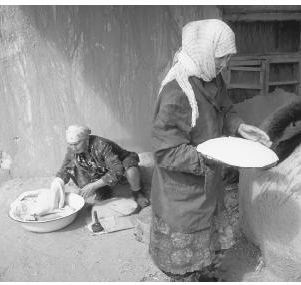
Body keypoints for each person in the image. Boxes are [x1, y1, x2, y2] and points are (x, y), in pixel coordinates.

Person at [149, 19, 272, 282]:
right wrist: (213, 157)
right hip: (183, 185)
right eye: (221, 58)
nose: (225, 65)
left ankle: (201, 271)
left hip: (207, 179)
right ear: (203, 52)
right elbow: (165, 152)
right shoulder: (177, 92)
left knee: (207, 238)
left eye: (228, 57)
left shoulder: (210, 77)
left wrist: (239, 127)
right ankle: (186, 277)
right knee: (185, 243)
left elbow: (225, 109)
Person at [51, 124, 150, 208]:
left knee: (131, 171)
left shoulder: (101, 145)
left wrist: (92, 186)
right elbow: (66, 168)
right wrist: (58, 182)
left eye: (76, 144)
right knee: (95, 196)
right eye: (70, 144)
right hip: (100, 168)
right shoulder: (73, 150)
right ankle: (104, 190)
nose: (73, 148)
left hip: (121, 161)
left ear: (86, 139)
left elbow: (117, 169)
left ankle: (137, 192)